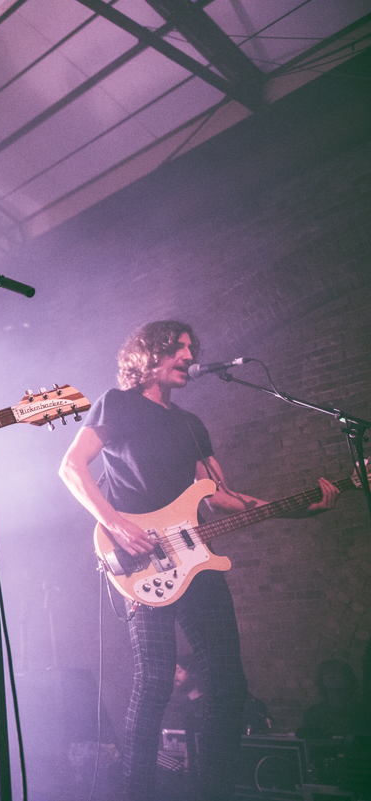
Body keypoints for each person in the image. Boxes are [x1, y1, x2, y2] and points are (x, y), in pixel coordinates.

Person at [59, 320, 338, 801]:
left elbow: (220, 497)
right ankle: (137, 794)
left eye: (191, 349)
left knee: (228, 683)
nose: (189, 356)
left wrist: (298, 507)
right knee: (154, 682)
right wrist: (117, 525)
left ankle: (213, 792)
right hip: (138, 558)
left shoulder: (191, 425)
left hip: (195, 557)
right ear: (148, 356)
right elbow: (71, 466)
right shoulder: (116, 404)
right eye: (178, 348)